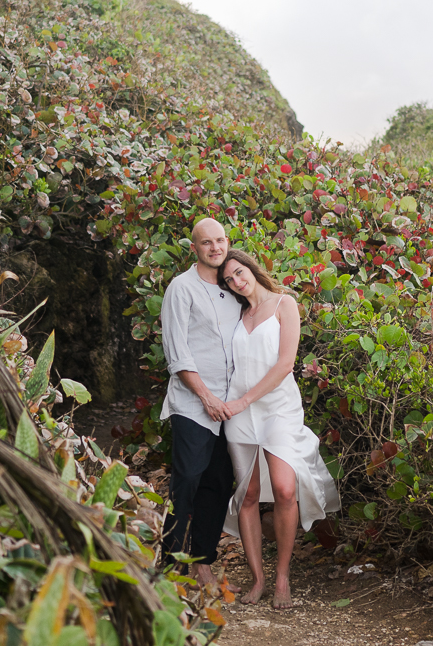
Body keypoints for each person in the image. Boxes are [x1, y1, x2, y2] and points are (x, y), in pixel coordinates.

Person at [218, 249, 340, 609]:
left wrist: (244, 400)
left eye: (240, 273)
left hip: (278, 410)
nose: (237, 281)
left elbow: (286, 364)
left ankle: (282, 576)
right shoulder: (236, 313)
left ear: (252, 269)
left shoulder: (285, 305)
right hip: (240, 414)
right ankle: (258, 579)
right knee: (248, 494)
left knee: (286, 490)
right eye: (229, 279)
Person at [158, 217, 243, 590]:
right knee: (188, 480)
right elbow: (177, 354)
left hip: (232, 407)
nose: (215, 248)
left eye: (220, 240)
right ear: (194, 248)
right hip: (193, 405)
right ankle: (171, 564)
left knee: (219, 483)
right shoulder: (181, 288)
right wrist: (206, 398)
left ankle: (202, 561)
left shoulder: (234, 288)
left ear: (227, 242)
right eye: (206, 243)